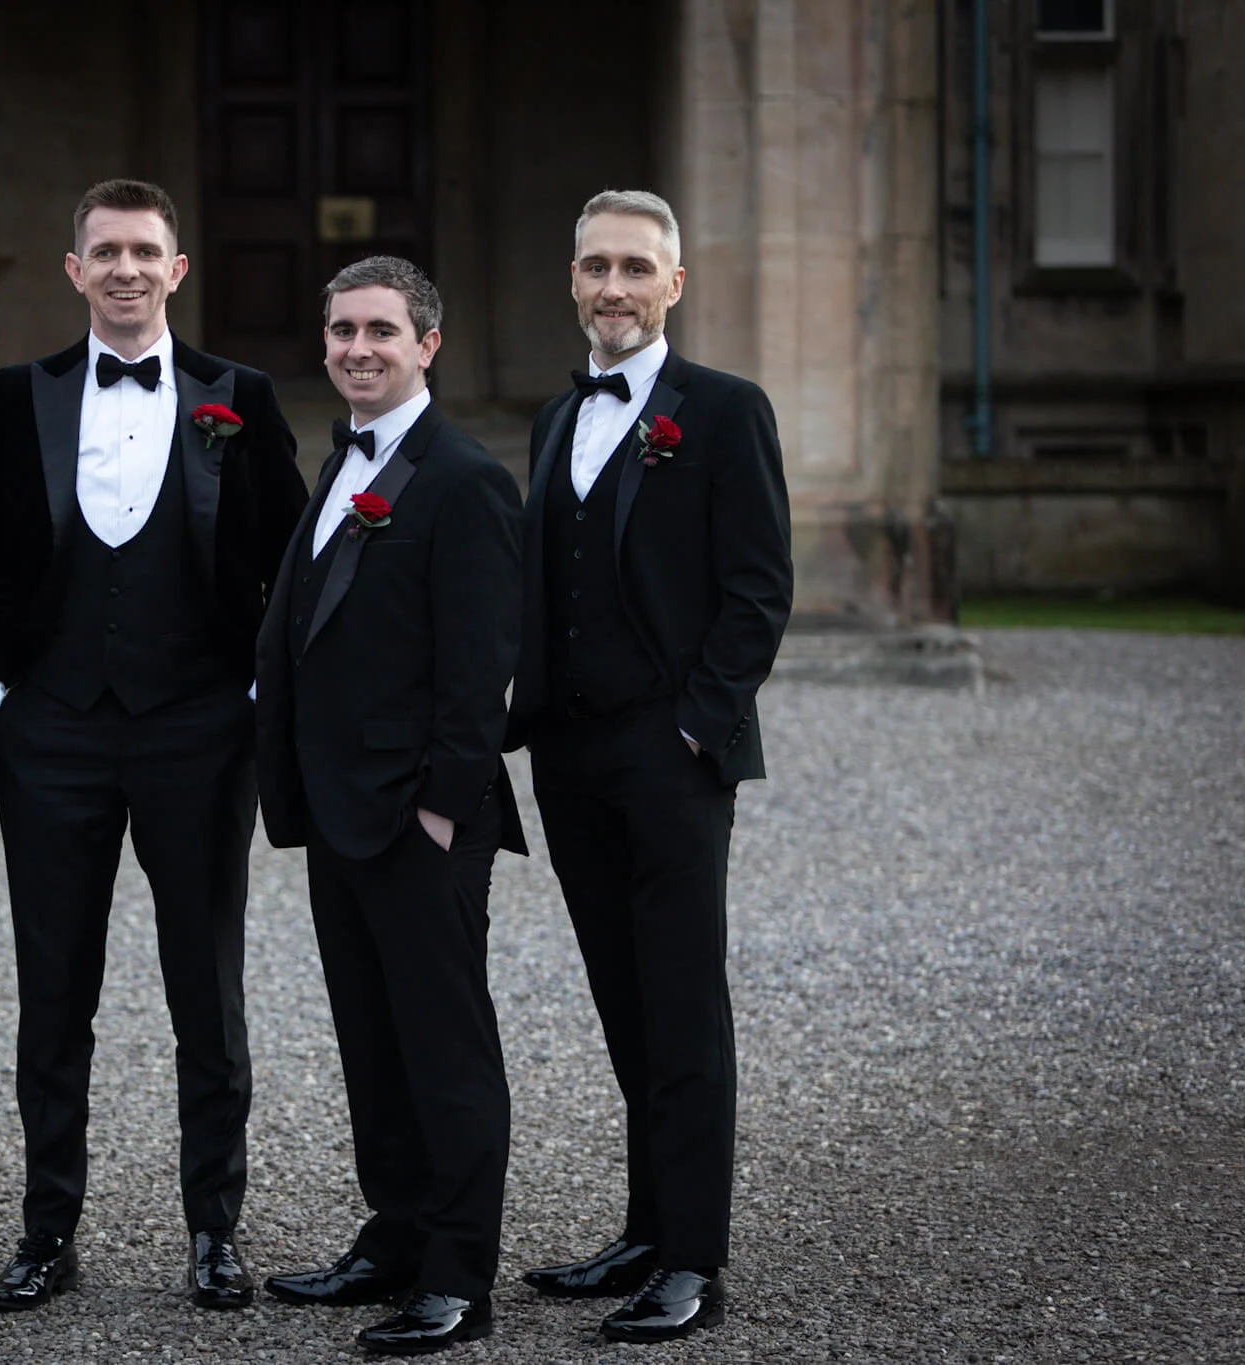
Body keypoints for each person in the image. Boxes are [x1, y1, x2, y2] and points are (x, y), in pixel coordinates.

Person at [0, 179, 306, 1311]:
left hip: (198, 735)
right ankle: (44, 1231)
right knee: (52, 993)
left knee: (204, 995)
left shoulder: (237, 397)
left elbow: (289, 560)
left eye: (142, 251)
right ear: (73, 270)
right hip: (50, 733)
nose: (122, 269)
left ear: (176, 269)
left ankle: (214, 1231)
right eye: (102, 251)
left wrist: (256, 697)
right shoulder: (20, 396)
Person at [509, 190, 793, 1344]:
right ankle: (641, 1229)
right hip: (568, 754)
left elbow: (757, 587)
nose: (611, 287)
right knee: (621, 1000)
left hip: (670, 755)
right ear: (570, 280)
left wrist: (695, 725)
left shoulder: (723, 412)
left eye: (634, 267)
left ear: (672, 285)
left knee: (682, 1007)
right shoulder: (548, 417)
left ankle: (690, 1261)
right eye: (594, 267)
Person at [254, 257, 524, 1357]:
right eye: (339, 331)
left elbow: (477, 671)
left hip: (417, 818)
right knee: (373, 1043)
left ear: (426, 344)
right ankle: (396, 1235)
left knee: (445, 1051)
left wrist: (439, 809)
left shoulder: (462, 479)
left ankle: (458, 1276)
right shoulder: (342, 466)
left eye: (378, 331)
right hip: (339, 812)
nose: (355, 349)